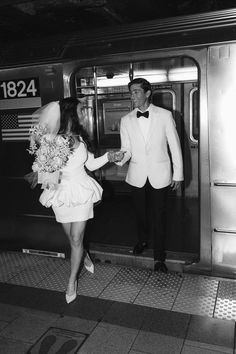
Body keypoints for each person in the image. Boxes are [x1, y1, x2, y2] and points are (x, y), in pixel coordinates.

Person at [29, 97, 124, 303]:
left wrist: (109, 157)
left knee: (75, 238)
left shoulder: (81, 139)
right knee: (71, 237)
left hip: (81, 192)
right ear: (70, 113)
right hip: (61, 194)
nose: (83, 114)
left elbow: (89, 165)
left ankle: (71, 281)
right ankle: (84, 254)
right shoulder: (49, 139)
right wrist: (48, 174)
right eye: (81, 111)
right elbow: (45, 169)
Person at [117, 78, 183, 273]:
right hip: (136, 175)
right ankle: (143, 240)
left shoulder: (165, 115)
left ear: (147, 93)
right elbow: (126, 149)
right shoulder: (126, 119)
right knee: (140, 214)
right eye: (130, 93)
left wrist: (178, 174)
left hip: (160, 174)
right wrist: (118, 157)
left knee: (159, 216)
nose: (132, 96)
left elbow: (175, 146)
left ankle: (159, 257)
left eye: (136, 92)